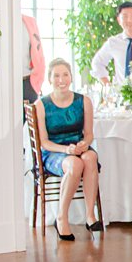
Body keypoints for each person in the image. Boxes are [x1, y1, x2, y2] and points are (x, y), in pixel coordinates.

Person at [35, 60, 101, 240]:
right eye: (56, 75)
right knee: (75, 164)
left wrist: (84, 144)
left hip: (78, 147)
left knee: (89, 159)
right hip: (54, 151)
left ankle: (90, 215)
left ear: (71, 77)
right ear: (50, 79)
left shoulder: (83, 101)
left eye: (65, 74)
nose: (61, 79)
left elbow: (88, 134)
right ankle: (61, 217)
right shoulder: (42, 105)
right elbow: (44, 142)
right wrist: (66, 150)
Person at [21, 13, 45, 103]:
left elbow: (39, 55)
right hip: (6, 82)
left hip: (28, 82)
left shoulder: (29, 22)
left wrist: (36, 85)